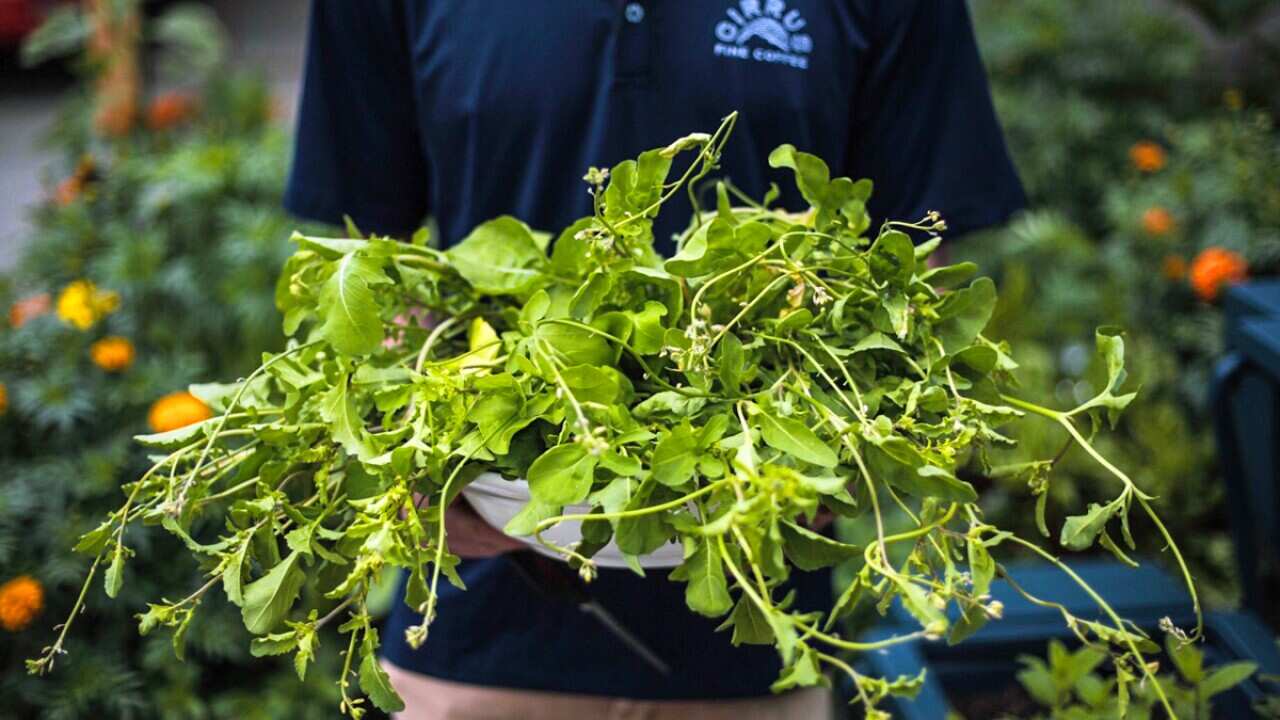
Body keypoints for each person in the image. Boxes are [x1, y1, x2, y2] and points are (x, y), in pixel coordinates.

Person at [284, 2, 1026, 717]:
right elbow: (371, 251)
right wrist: (411, 460)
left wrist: (865, 429)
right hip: (475, 638)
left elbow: (916, 257)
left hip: (760, 640)